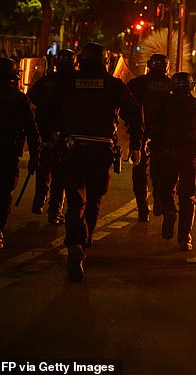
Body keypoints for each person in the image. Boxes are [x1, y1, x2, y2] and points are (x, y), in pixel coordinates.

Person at [50, 42, 143, 282]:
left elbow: (47, 111)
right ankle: (84, 243)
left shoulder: (67, 81)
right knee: (94, 200)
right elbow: (133, 111)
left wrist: (52, 135)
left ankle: (75, 245)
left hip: (73, 148)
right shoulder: (113, 84)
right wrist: (135, 144)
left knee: (74, 201)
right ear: (104, 61)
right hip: (101, 149)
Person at [153, 72, 196, 252]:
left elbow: (152, 128)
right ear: (191, 88)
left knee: (165, 188)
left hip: (168, 154)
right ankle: (185, 238)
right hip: (190, 156)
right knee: (187, 197)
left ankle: (169, 211)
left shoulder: (164, 105)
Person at [0, 58, 40, 249]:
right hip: (8, 155)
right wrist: (35, 157)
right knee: (3, 196)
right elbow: (33, 131)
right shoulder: (20, 100)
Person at [27, 49, 76, 224]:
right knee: (60, 175)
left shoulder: (47, 80)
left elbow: (30, 98)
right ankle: (54, 212)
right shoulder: (76, 82)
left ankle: (39, 201)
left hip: (46, 132)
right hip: (65, 134)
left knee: (44, 168)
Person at [126, 54, 171, 222]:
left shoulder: (138, 83)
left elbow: (125, 104)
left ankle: (142, 209)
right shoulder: (171, 85)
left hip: (140, 134)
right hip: (164, 136)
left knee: (139, 173)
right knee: (160, 172)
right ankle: (159, 199)